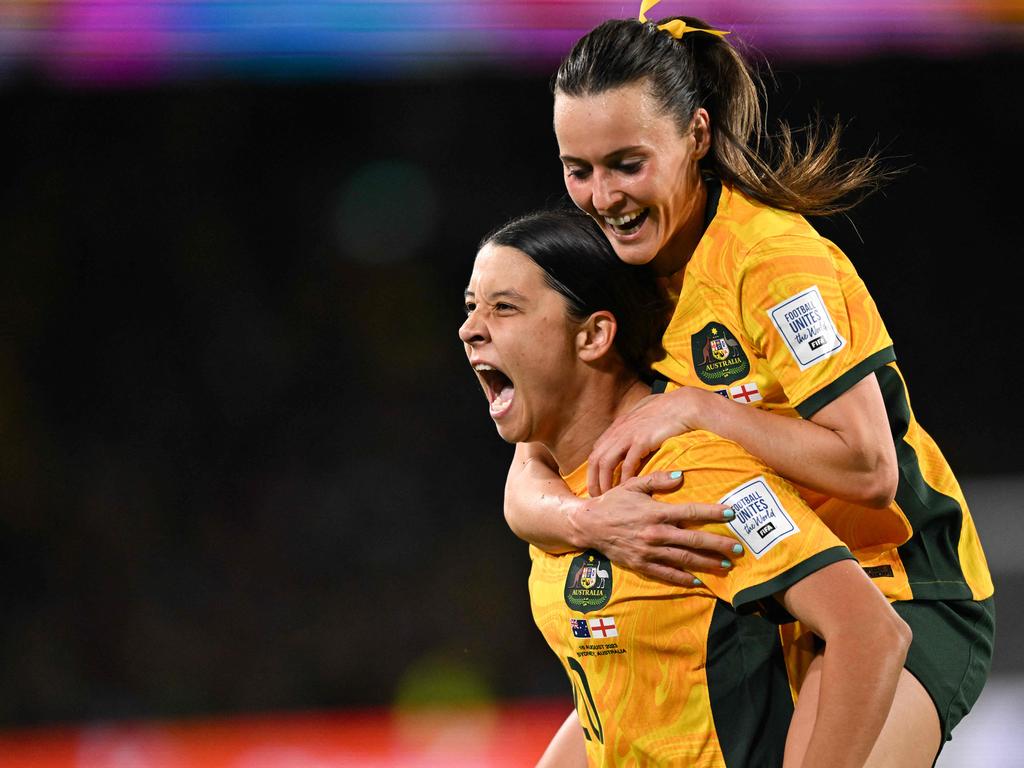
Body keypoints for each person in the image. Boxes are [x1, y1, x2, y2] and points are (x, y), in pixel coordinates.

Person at [503, 3, 994, 762]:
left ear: (696, 136)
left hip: (899, 587)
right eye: (580, 170)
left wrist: (698, 410)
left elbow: (868, 466)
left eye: (627, 164)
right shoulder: (611, 273)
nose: (603, 197)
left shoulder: (774, 266)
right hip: (768, 595)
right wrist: (587, 524)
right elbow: (527, 476)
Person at [460, 208, 911, 767]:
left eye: (505, 308)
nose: (470, 328)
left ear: (595, 334)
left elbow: (869, 630)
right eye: (472, 307)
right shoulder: (560, 489)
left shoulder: (693, 473)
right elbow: (617, 696)